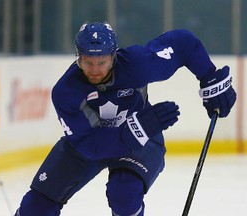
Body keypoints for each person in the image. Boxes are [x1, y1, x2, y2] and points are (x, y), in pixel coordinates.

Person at [14, 22, 236, 216]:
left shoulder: (139, 64)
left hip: (141, 140)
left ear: (114, 56)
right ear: (78, 57)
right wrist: (136, 128)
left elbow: (184, 43)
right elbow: (90, 145)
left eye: (101, 62)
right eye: (88, 62)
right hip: (95, 141)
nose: (95, 70)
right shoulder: (66, 92)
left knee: (124, 193)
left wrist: (210, 77)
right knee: (36, 206)